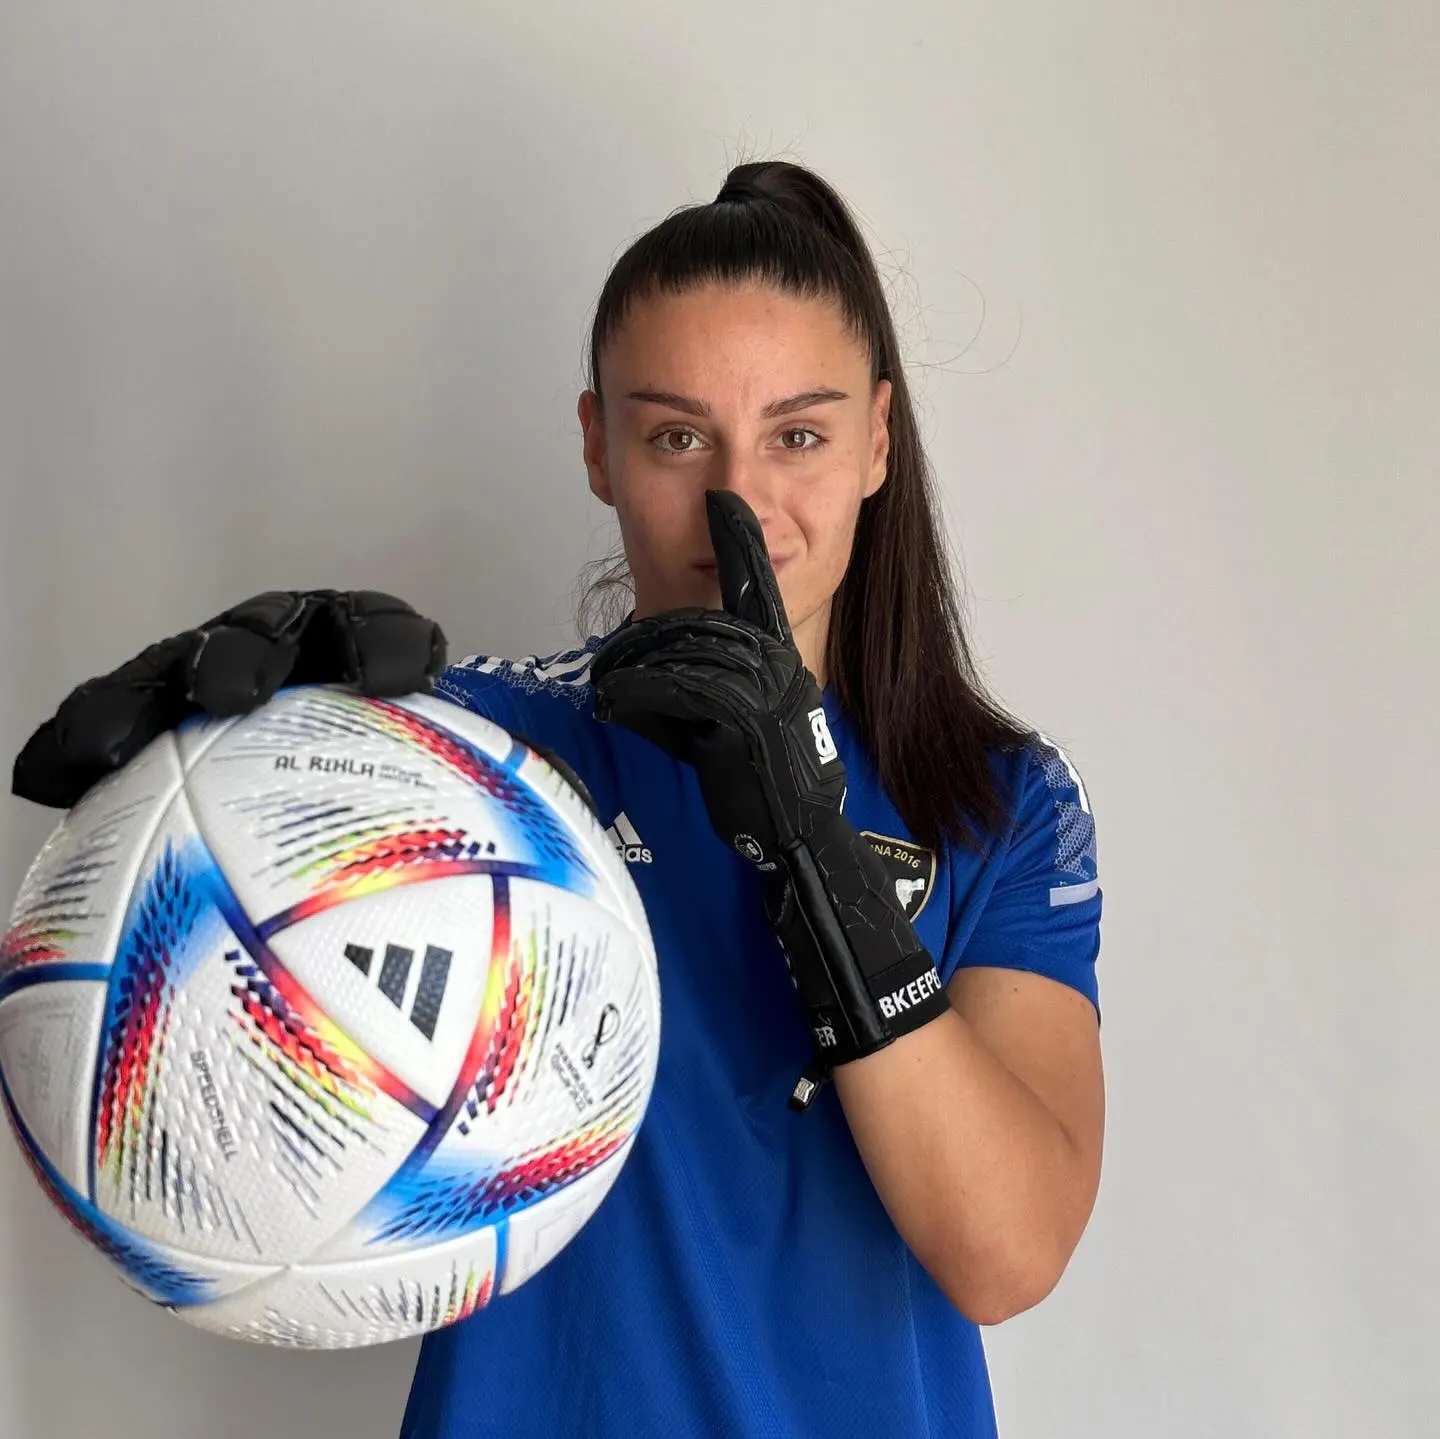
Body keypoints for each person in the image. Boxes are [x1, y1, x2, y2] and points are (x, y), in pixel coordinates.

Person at [11, 160, 1105, 1438]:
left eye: (797, 435)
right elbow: (217, 1029)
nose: (739, 504)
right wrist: (219, 794)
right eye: (677, 436)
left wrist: (814, 846)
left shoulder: (999, 798)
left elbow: (1005, 1253)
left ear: (877, 439)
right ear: (599, 446)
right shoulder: (479, 753)